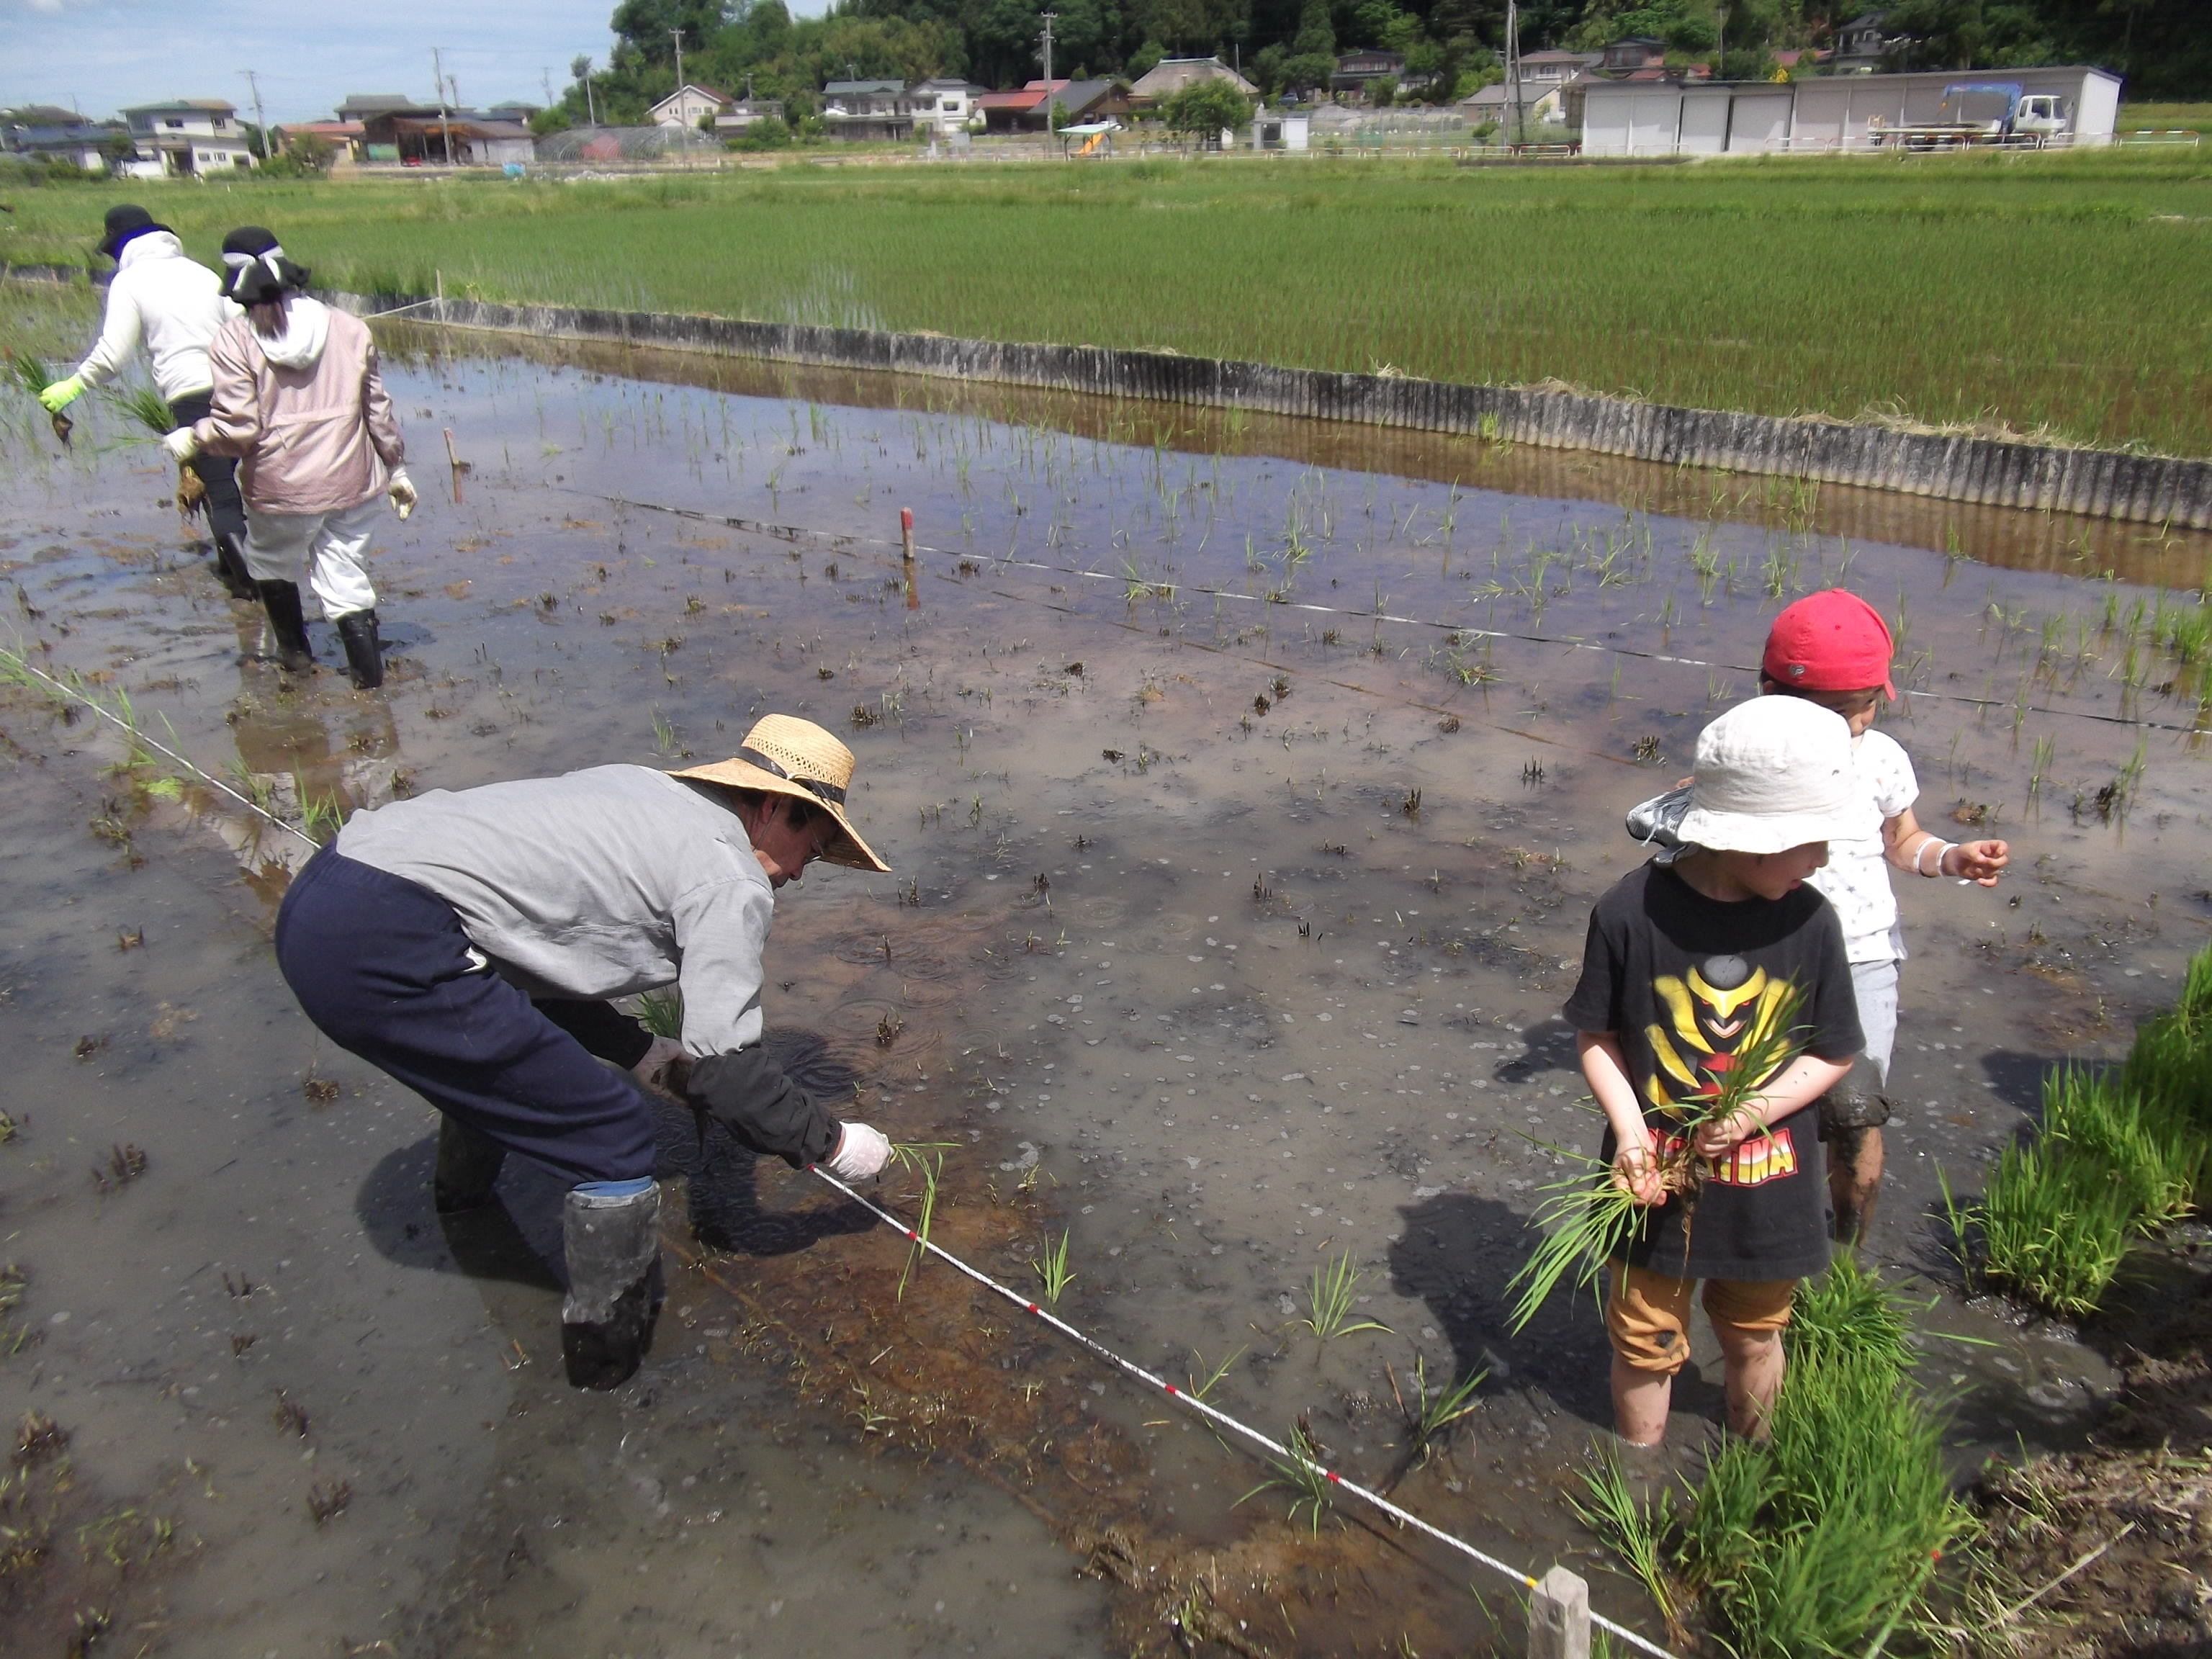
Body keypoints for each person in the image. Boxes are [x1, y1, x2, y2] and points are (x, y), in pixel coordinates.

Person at [271, 714, 897, 1390]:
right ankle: (607, 1369)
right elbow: (730, 1076)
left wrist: (639, 1052)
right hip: (383, 939)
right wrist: (834, 1145)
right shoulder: (729, 877)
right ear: (774, 808)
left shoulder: (645, 792)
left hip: (327, 889)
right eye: (816, 843)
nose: (804, 874)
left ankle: (467, 1213)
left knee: (505, 1051)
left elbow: (525, 956)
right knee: (612, 1135)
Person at [1629, 589, 2010, 1244]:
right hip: (1766, 950)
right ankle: (1755, 1232)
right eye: (1830, 710)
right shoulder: (1749, 755)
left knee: (1855, 1108)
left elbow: (1903, 842)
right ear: (1767, 694)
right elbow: (1682, 831)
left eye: (1860, 710)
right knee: (1751, 1104)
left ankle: (1847, 1246)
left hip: (1859, 953)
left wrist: (1951, 858)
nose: (1849, 725)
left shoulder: (1883, 759)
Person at [1567, 696, 1870, 1446]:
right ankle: (1638, 1474)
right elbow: (1597, 1038)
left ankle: (1752, 1460)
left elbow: (1831, 1052)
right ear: (1747, 840)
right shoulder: (1627, 913)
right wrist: (1631, 1134)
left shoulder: (1811, 921)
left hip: (1770, 1189)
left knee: (1756, 1335)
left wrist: (1751, 1112)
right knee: (1644, 1340)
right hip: (1652, 1184)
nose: (1823, 859)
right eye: (1809, 842)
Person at [166, 228, 415, 687]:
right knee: (345, 574)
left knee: (271, 564)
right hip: (350, 480)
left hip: (281, 488)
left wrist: (195, 437)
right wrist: (396, 467)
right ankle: (369, 682)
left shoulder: (235, 339)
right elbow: (377, 409)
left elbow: (239, 429)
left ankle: (297, 661)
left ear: (242, 300)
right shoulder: (349, 327)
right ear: (298, 286)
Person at [39, 204, 260, 601]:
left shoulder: (129, 282)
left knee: (221, 492)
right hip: (242, 387)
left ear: (121, 245)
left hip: (192, 396)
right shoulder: (202, 272)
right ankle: (236, 568)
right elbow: (243, 326)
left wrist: (73, 386)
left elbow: (113, 354)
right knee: (250, 481)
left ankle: (252, 590)